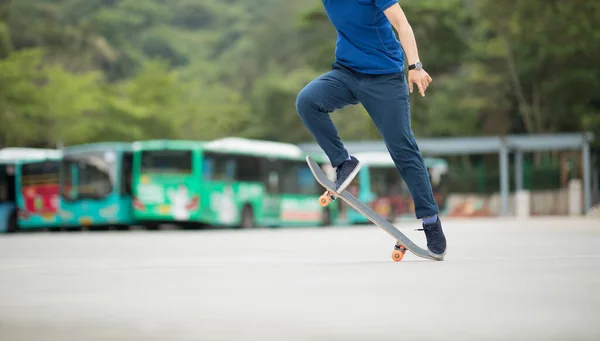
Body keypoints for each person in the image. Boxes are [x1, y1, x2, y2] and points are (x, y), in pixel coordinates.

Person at [295, 0, 446, 257]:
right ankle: (343, 163)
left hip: (385, 77)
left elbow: (402, 23)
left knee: (402, 148)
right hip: (346, 73)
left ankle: (430, 220)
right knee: (308, 101)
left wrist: (415, 66)